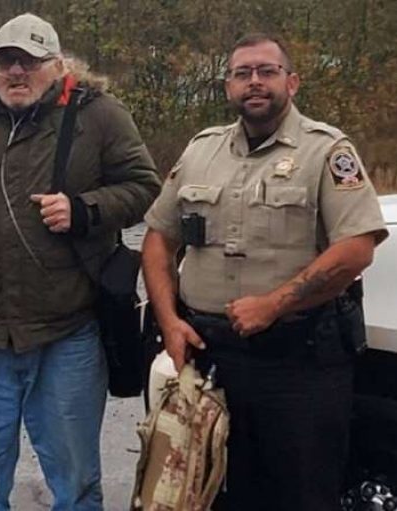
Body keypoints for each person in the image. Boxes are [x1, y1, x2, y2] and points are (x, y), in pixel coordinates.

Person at [0, 12, 160, 511]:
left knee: (76, 479)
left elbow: (144, 185)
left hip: (69, 330)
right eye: (7, 62)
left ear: (59, 65)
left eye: (30, 62)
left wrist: (85, 208)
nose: (17, 73)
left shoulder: (100, 116)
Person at [142, 33, 388, 511]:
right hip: (211, 361)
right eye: (242, 73)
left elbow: (357, 248)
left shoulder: (326, 151)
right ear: (228, 86)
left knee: (300, 495)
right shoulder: (200, 151)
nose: (254, 82)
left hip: (298, 368)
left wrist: (275, 304)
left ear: (291, 82)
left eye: (267, 71)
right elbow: (157, 238)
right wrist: (168, 321)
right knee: (205, 492)